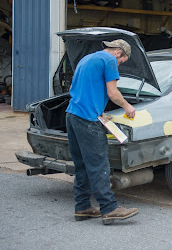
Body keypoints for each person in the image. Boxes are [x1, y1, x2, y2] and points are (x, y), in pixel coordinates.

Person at [65, 39, 139, 225]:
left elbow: (86, 90)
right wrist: (127, 106)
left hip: (73, 115)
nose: (120, 65)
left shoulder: (87, 59)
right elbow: (113, 93)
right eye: (122, 61)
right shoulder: (109, 60)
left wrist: (100, 112)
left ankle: (82, 207)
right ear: (118, 53)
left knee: (82, 164)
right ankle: (109, 208)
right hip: (88, 119)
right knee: (99, 164)